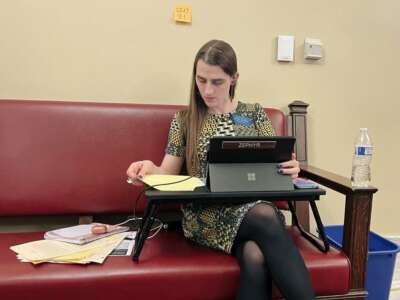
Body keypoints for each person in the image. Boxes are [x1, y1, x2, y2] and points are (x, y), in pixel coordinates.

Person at [127, 40, 315, 300]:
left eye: (217, 82)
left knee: (254, 253)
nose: (207, 90)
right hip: (206, 216)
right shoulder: (184, 120)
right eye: (201, 80)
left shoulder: (255, 114)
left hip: (253, 211)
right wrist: (148, 170)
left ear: (234, 79)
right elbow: (166, 174)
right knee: (266, 216)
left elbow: (276, 163)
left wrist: (289, 167)